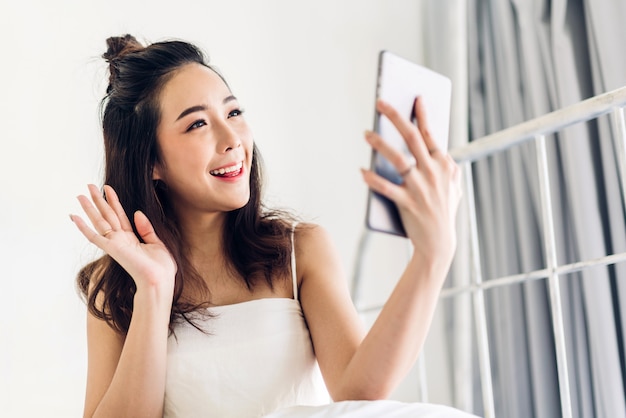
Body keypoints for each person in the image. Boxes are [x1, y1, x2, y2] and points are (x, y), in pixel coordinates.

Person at [70, 34, 475, 418]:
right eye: (197, 124)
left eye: (233, 112)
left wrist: (432, 255)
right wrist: (154, 291)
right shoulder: (117, 287)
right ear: (151, 162)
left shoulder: (300, 250)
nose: (233, 138)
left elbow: (358, 394)